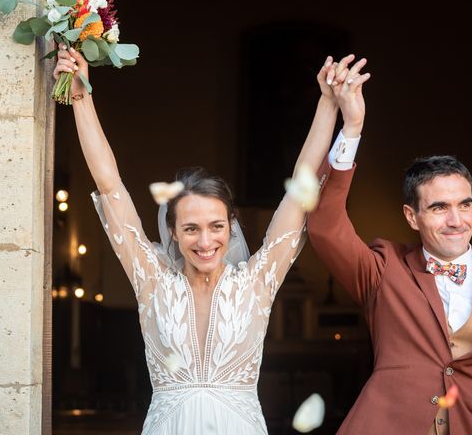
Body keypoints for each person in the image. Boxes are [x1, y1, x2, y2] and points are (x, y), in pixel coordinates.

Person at [53, 47, 369, 434]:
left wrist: (327, 104)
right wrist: (81, 97)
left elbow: (300, 188)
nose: (206, 241)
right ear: (172, 231)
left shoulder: (257, 284)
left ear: (231, 224)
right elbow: (109, 183)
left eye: (216, 226)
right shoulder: (151, 282)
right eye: (191, 229)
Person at [308, 57, 472, 434]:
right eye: (439, 208)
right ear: (411, 217)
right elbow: (323, 224)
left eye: (465, 205)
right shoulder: (383, 270)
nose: (456, 220)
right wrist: (353, 125)